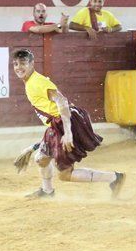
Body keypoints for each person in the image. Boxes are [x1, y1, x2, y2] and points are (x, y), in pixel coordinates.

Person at [11, 49, 125, 199]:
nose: (18, 67)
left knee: (65, 174)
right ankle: (47, 191)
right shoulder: (31, 82)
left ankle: (114, 178)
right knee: (41, 158)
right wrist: (34, 146)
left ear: (32, 63)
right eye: (15, 64)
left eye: (23, 63)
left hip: (67, 122)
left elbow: (62, 101)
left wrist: (68, 132)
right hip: (58, 124)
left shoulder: (37, 82)